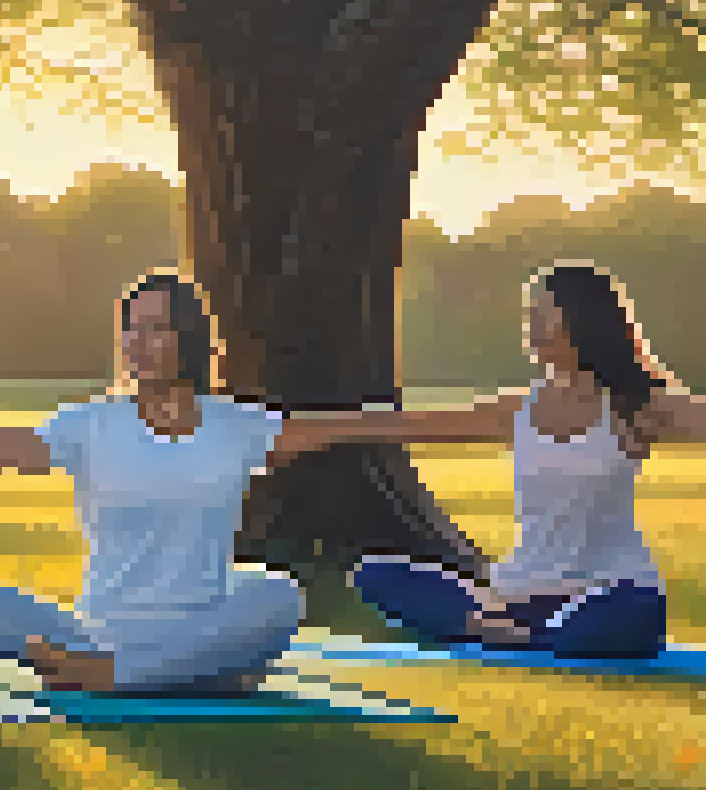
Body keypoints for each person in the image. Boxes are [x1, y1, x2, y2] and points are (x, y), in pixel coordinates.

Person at [0, 270, 305, 694]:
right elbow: (0, 444)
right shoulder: (94, 423)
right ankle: (194, 672)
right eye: (131, 330)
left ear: (188, 339)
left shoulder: (233, 425)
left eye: (155, 329)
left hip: (200, 623)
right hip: (99, 636)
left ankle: (125, 676)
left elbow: (328, 428)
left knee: (280, 596)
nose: (138, 344)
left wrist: (375, 420)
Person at [273, 261, 695, 658]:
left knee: (635, 613)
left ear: (581, 322)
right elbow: (404, 424)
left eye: (543, 315)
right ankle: (521, 634)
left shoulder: (635, 406)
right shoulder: (518, 410)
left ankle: (511, 636)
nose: (531, 328)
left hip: (611, 593)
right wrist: (307, 431)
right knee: (376, 575)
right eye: (530, 315)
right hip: (515, 598)